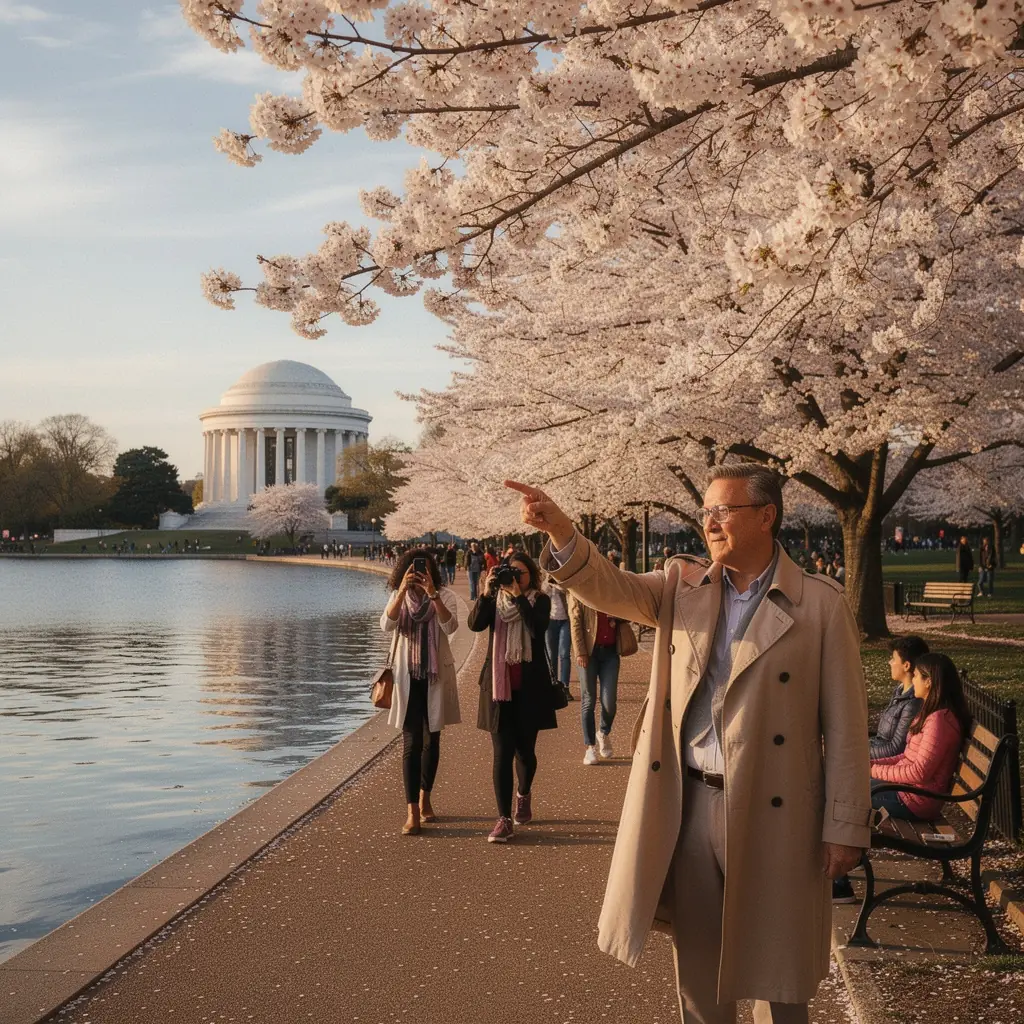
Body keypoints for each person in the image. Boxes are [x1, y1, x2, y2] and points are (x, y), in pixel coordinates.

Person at [507, 465, 870, 1024]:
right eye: (705, 511)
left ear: (767, 515)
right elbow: (611, 586)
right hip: (692, 802)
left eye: (724, 510)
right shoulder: (683, 585)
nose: (710, 522)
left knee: (782, 978)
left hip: (781, 813)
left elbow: (846, 728)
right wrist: (560, 531)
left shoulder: (821, 604)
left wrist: (845, 828)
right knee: (699, 976)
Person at [833, 652, 971, 899]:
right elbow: (905, 757)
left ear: (929, 681)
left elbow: (918, 772)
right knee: (847, 786)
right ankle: (848, 862)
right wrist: (869, 763)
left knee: (847, 797)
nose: (913, 680)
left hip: (917, 801)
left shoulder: (939, 720)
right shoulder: (931, 713)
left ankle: (841, 882)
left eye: (917, 676)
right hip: (909, 793)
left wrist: (871, 770)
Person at [468, 550, 557, 843]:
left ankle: (524, 793)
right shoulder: (495, 600)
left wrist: (519, 595)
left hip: (530, 688)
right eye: (511, 573)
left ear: (531, 575)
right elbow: (475, 625)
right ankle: (504, 819)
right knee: (502, 754)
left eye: (521, 573)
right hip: (498, 687)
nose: (515, 578)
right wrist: (485, 591)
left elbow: (536, 628)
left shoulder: (539, 600)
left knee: (525, 754)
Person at [382, 548, 461, 836]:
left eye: (425, 569)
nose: (420, 574)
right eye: (415, 569)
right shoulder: (398, 597)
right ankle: (412, 810)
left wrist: (433, 595)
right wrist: (402, 591)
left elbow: (451, 626)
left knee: (432, 740)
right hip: (407, 677)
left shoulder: (444, 595)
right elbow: (386, 624)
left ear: (433, 572)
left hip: (434, 675)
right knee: (411, 743)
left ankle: (426, 794)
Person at [568, 592, 635, 764]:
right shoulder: (579, 591)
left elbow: (628, 613)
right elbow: (575, 623)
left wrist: (618, 615)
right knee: (588, 700)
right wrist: (580, 652)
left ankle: (603, 732)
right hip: (589, 653)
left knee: (609, 701)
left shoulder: (610, 589)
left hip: (610, 653)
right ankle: (590, 748)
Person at [546, 577, 573, 702]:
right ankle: (553, 685)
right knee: (552, 655)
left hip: (565, 621)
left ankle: (565, 687)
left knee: (564, 654)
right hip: (550, 621)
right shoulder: (544, 579)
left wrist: (558, 584)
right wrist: (548, 582)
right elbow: (541, 592)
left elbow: (568, 591)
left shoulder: (565, 578)